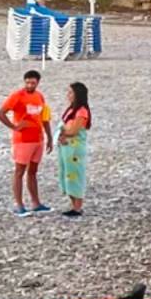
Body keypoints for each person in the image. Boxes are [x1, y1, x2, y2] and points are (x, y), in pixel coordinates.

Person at [0, 69, 55, 215]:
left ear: (37, 83)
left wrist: (49, 137)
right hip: (23, 140)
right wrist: (14, 127)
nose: (30, 85)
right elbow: (0, 113)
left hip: (38, 138)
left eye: (33, 82)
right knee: (19, 171)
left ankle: (36, 202)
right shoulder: (17, 96)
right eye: (28, 82)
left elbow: (45, 118)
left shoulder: (39, 96)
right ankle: (19, 204)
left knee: (33, 172)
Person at [56, 82, 92, 217]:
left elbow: (73, 130)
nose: (68, 95)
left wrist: (63, 132)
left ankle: (77, 207)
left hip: (74, 149)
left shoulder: (81, 111)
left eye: (71, 92)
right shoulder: (71, 109)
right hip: (66, 147)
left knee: (75, 174)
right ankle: (73, 203)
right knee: (66, 173)